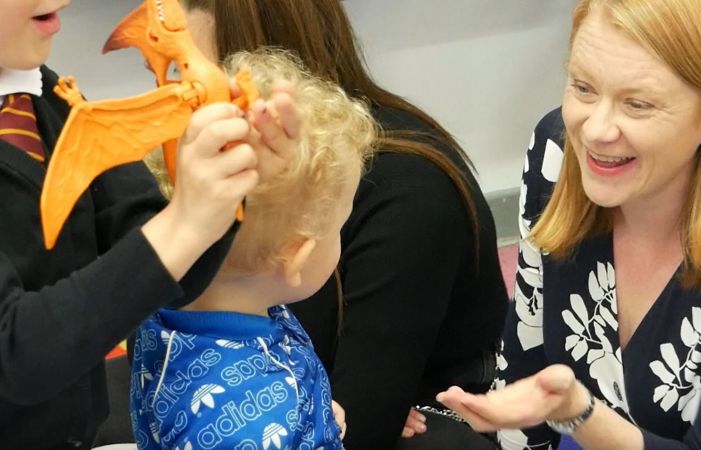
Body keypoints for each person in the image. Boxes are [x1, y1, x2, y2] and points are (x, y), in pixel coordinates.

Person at [431, 0, 701, 449]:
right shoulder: (558, 155)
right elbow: (526, 349)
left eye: (638, 104)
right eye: (584, 88)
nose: (596, 130)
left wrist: (577, 414)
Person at [179, 1, 509, 449]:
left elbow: (363, 424)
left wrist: (317, 407)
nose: (172, 97)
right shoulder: (226, 171)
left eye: (190, 78)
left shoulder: (409, 196)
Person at [0, 1, 300, 448]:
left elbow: (172, 272)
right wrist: (185, 224)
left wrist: (225, 186)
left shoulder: (46, 94)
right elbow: (17, 354)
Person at [130, 47, 377, 450]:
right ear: (295, 256)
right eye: (339, 229)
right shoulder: (249, 428)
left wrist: (312, 414)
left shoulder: (164, 307)